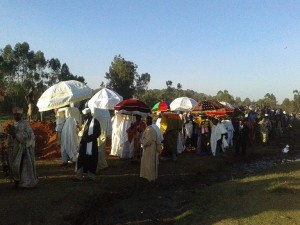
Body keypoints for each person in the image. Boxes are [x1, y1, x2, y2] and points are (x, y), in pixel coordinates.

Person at [7, 107, 38, 188]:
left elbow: (30, 136)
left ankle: (22, 181)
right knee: (14, 165)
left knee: (20, 164)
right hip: (15, 148)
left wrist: (16, 135)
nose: (16, 116)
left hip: (24, 149)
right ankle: (16, 180)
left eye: (18, 115)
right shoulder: (13, 124)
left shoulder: (25, 124)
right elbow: (11, 137)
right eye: (15, 115)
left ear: (21, 115)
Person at [74, 108, 101, 181]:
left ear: (88, 114)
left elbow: (98, 133)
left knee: (91, 160)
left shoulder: (95, 122)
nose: (84, 117)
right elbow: (83, 132)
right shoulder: (86, 122)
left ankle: (91, 177)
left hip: (91, 145)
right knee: (81, 159)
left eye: (84, 115)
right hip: (84, 145)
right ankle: (79, 177)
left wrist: (88, 138)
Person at [140, 116, 162, 182]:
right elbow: (158, 139)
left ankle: (149, 176)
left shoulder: (149, 130)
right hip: (152, 148)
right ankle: (151, 176)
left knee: (148, 163)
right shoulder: (152, 129)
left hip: (149, 149)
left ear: (146, 122)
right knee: (151, 162)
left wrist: (143, 143)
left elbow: (148, 140)